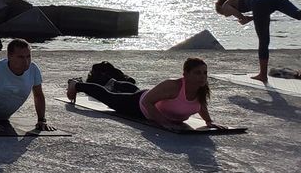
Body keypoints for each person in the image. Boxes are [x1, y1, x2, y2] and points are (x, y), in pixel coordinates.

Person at [67, 57, 228, 130]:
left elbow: (201, 106)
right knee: (109, 98)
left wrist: (209, 121)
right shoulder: (172, 86)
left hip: (147, 96)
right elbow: (147, 103)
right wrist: (163, 123)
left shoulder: (201, 89)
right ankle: (77, 84)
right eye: (197, 73)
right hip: (138, 106)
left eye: (205, 73)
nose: (202, 77)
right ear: (185, 74)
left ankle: (115, 83)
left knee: (131, 90)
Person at [215, 0, 301, 82]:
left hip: (259, 3)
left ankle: (262, 75)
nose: (225, 15)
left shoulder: (226, 4)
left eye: (221, 12)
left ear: (221, 6)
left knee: (263, 41)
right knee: (298, 14)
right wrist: (249, 18)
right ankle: (262, 75)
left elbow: (242, 16)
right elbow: (261, 13)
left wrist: (242, 18)